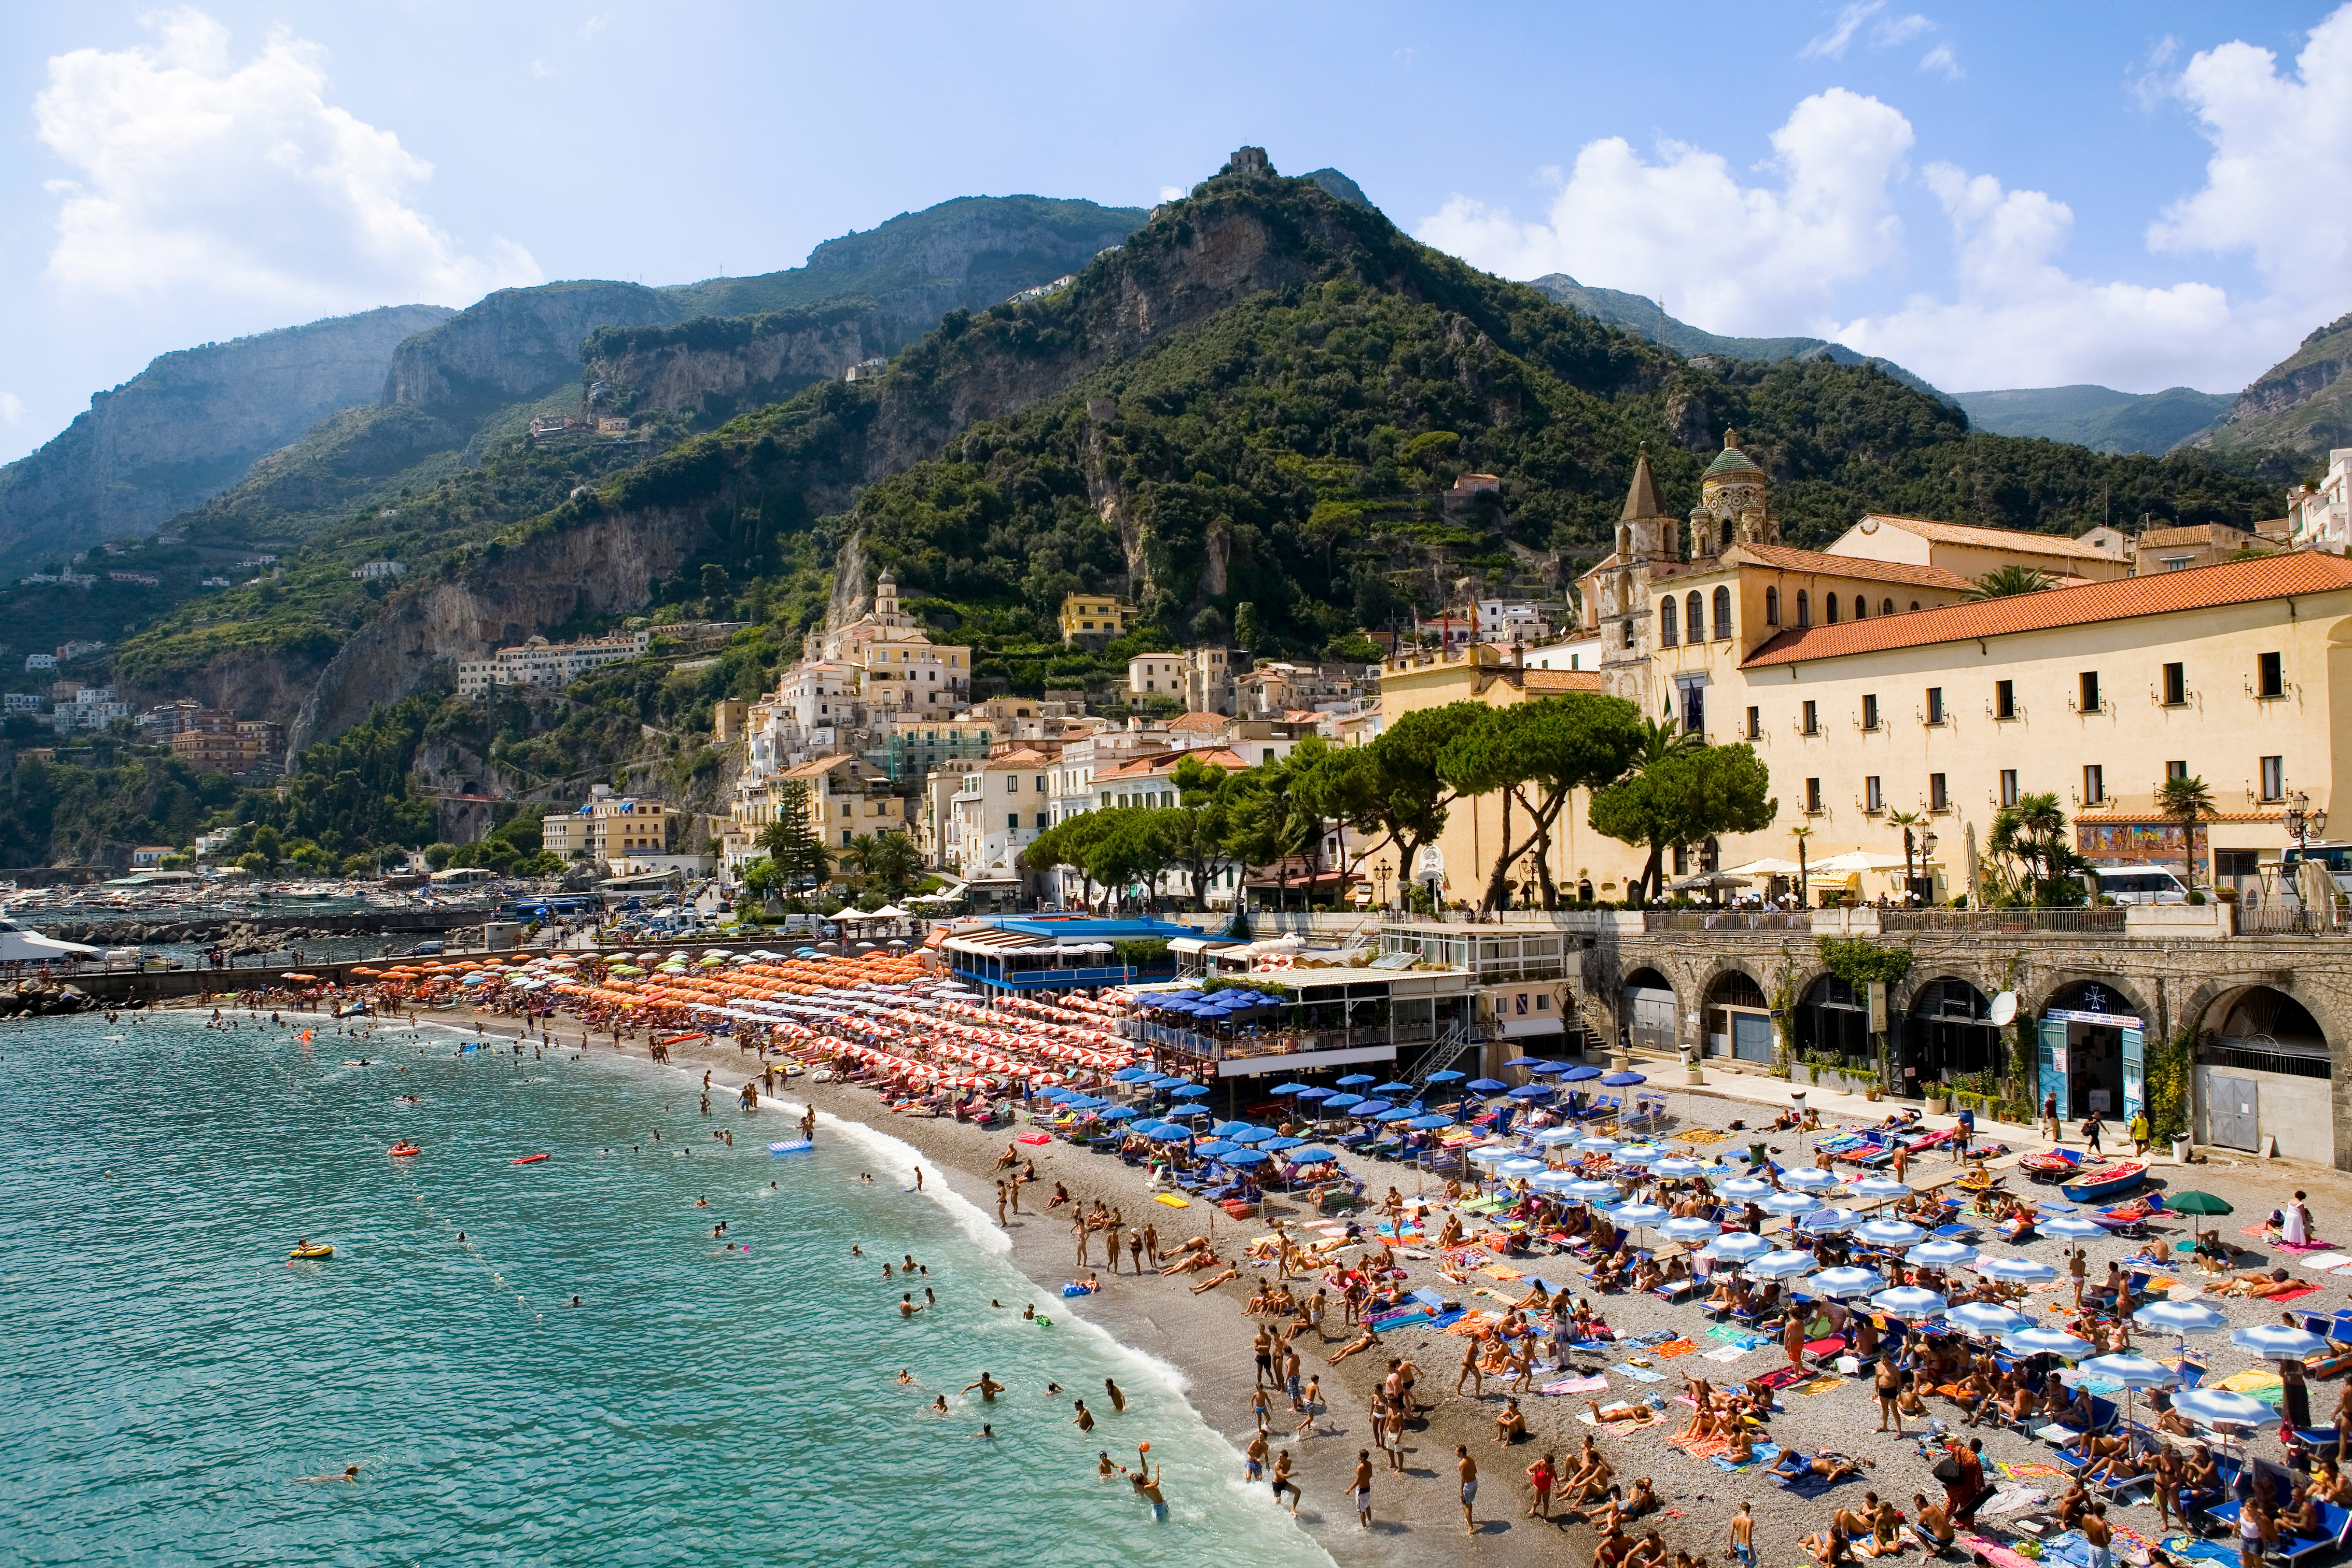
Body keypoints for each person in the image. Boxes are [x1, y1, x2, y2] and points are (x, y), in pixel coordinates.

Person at [1457, 1444, 1479, 1536]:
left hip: (1468, 1485)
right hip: (1475, 1483)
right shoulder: (1471, 1460)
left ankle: (1471, 1528)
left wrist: (1461, 1491)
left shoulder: (1462, 1464)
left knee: (1465, 1505)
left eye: (1457, 1451)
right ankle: (1468, 1518)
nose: (1456, 1453)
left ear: (1461, 1453)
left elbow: (1463, 1478)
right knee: (1469, 1502)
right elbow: (1475, 1471)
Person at [1528, 1451, 1557, 1520]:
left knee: (1546, 1502)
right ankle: (1533, 1508)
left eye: (1550, 1464)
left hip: (1547, 1487)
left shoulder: (1551, 1466)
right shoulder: (1539, 1465)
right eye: (1548, 1463)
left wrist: (1557, 1483)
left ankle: (1545, 1517)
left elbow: (1555, 1474)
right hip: (1538, 1486)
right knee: (1537, 1501)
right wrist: (1530, 1474)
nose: (1548, 1465)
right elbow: (1529, 1469)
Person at [1349, 1448, 1374, 1529]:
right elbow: (1371, 1475)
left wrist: (1349, 1490)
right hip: (1368, 1487)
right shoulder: (1369, 1464)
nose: (1358, 1456)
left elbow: (1357, 1482)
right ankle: (1370, 1520)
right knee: (1367, 1505)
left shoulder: (1360, 1468)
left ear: (1363, 1458)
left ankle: (1364, 1527)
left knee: (1361, 1510)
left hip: (1361, 1490)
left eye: (1359, 1455)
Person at [1728, 1498, 1755, 1566]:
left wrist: (1730, 1549)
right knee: (1751, 1566)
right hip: (1747, 1547)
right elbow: (1748, 1537)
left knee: (1745, 1564)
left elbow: (1731, 1535)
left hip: (1739, 1546)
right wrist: (1749, 1552)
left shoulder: (1735, 1519)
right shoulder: (1749, 1521)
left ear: (1741, 1510)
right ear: (1749, 1511)